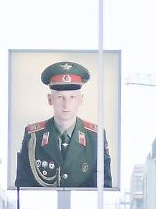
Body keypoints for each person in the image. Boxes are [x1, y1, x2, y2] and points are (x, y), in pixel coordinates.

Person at [14, 59, 113, 190]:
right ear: (50, 99)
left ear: (80, 99)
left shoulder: (95, 137)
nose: (66, 104)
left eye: (72, 97)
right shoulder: (33, 137)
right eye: (60, 97)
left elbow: (103, 189)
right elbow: (23, 187)